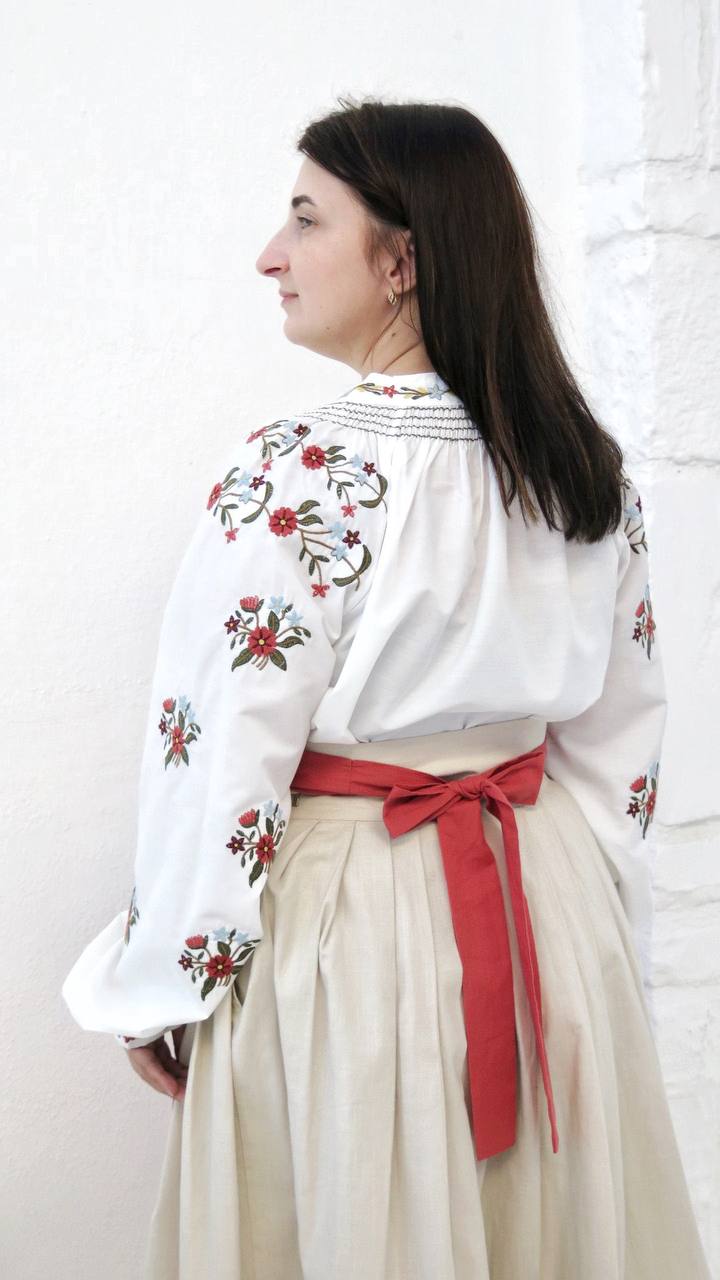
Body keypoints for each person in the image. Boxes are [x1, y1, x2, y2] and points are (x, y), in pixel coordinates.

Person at [61, 95, 712, 1279]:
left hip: (346, 926)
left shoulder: (296, 472)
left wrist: (168, 979)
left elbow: (220, 760)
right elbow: (623, 753)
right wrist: (585, 940)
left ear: (401, 260)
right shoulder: (582, 470)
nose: (272, 252)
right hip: (542, 903)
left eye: (307, 219)